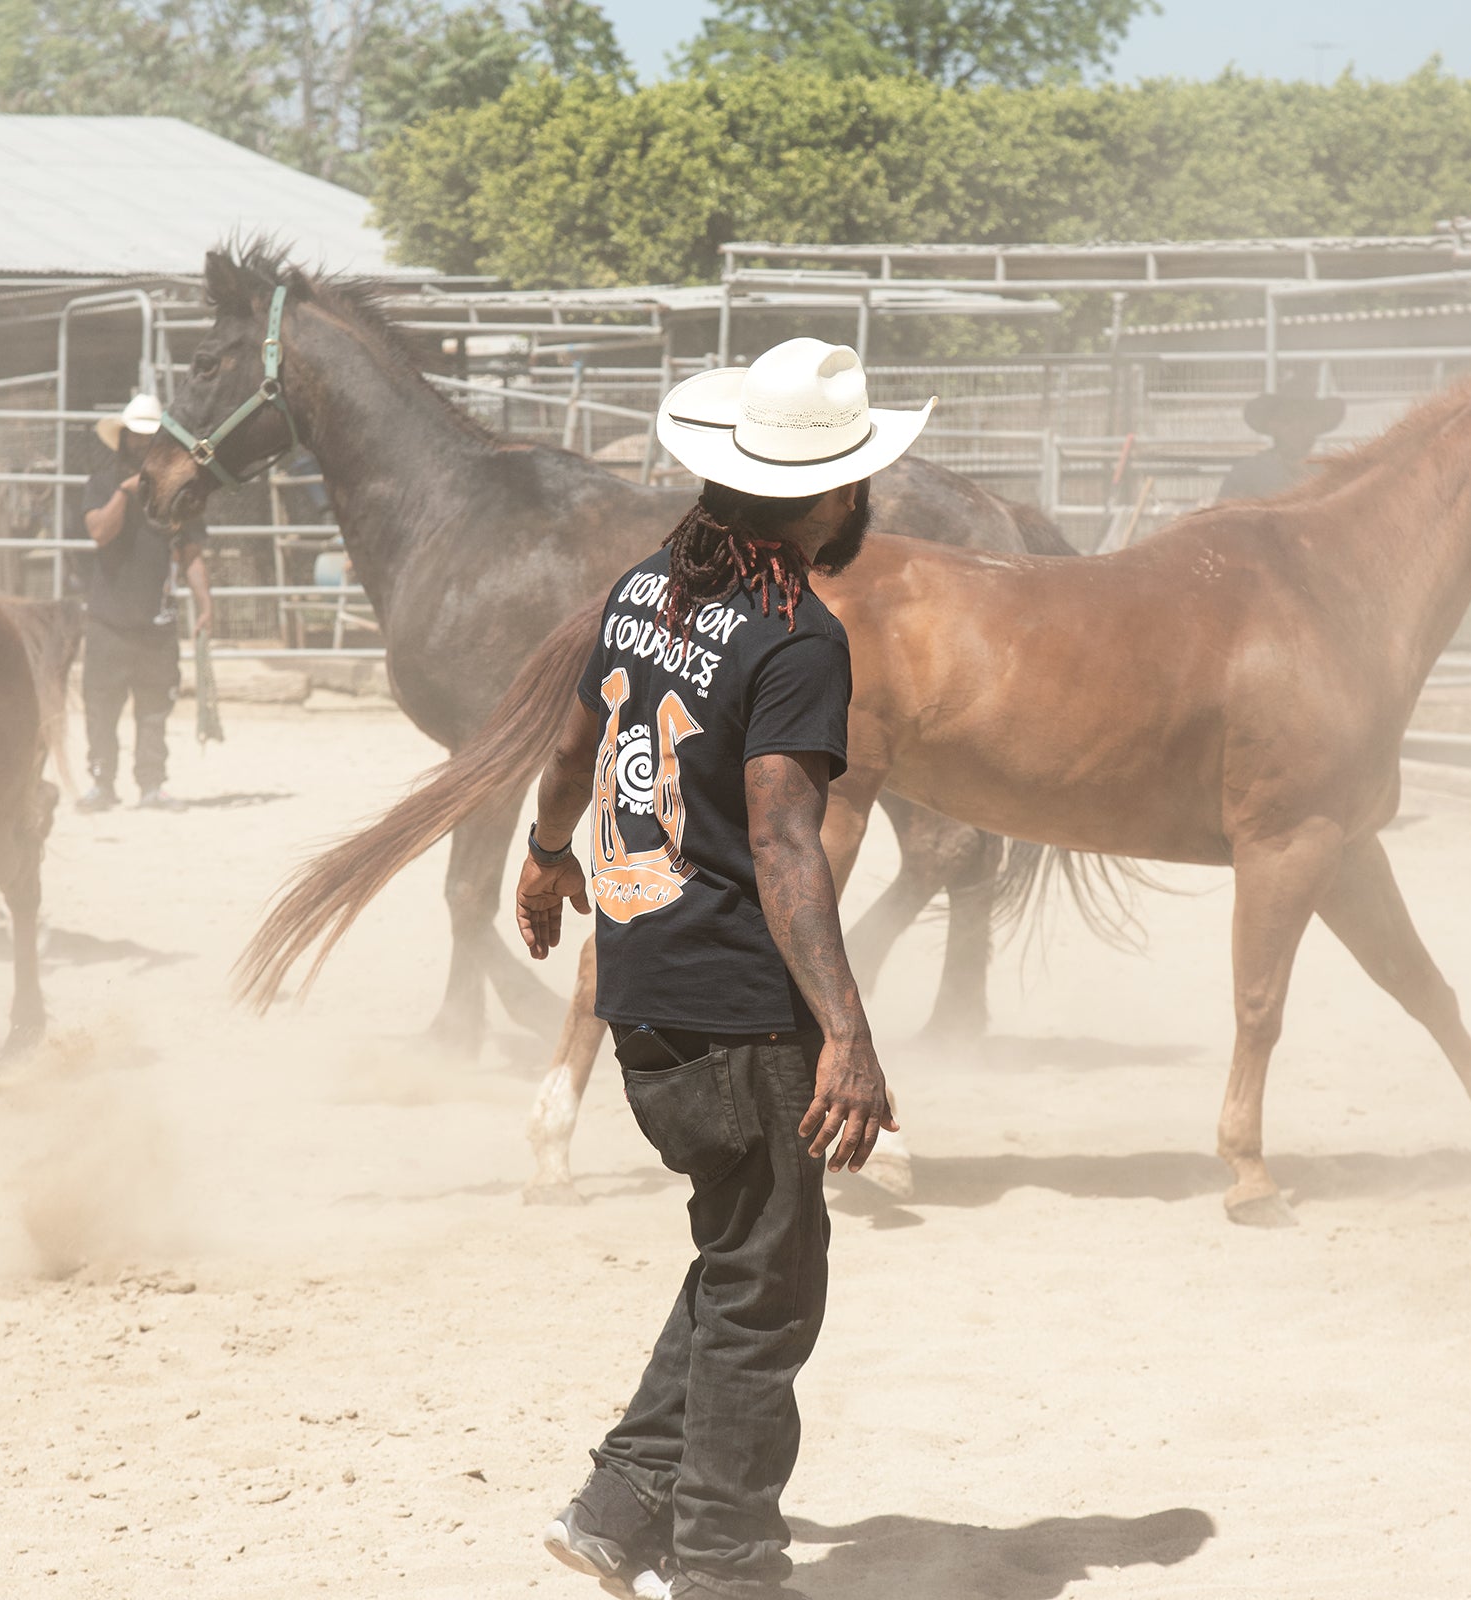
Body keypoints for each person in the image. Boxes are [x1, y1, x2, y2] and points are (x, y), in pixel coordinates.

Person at [516, 338, 933, 1599]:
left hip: (639, 989)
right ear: (833, 493)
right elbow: (784, 837)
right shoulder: (797, 634)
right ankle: (727, 1564)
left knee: (740, 1252)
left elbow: (577, 739)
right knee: (767, 1296)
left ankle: (616, 1501)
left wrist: (543, 857)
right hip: (740, 1010)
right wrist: (847, 1036)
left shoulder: (645, 588)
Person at [76, 394, 211, 812]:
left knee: (155, 708)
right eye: (137, 436)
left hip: (157, 622)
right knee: (102, 708)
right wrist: (125, 493)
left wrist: (205, 604)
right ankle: (103, 783)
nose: (142, 444)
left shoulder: (178, 492)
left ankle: (152, 785)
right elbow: (99, 532)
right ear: (123, 437)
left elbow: (191, 551)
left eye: (150, 437)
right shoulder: (101, 484)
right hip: (108, 620)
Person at [1216, 374, 1347, 502]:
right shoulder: (1246, 474)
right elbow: (1222, 519)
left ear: (1317, 425)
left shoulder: (1330, 475)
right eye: (1287, 419)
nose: (1297, 427)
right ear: (1272, 425)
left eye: (1305, 419)